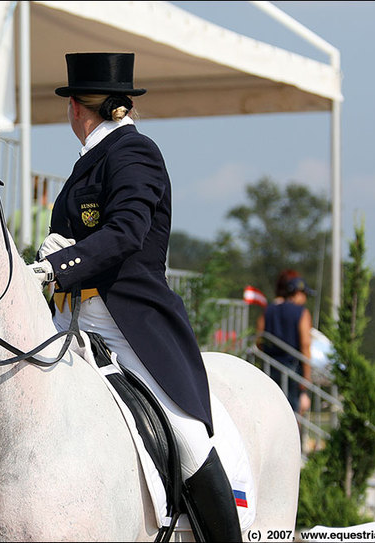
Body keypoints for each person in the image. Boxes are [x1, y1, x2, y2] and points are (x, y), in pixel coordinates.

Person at [29, 52, 241, 541]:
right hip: (68, 320)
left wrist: (61, 263)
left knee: (185, 439)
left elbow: (126, 232)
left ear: (77, 109)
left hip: (125, 325)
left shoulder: (133, 152)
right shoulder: (90, 161)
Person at [255, 272, 314, 414]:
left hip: (270, 367)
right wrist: (307, 377)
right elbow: (305, 344)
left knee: (272, 411)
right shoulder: (302, 312)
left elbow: (259, 339)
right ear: (297, 293)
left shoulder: (268, 310)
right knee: (291, 413)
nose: (305, 299)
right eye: (304, 294)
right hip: (292, 369)